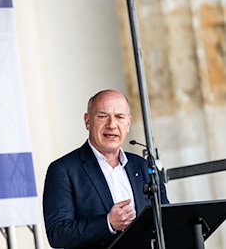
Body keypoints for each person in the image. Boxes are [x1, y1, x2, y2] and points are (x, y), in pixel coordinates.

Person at [42, 89, 169, 249]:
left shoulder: (144, 166)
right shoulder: (63, 170)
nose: (112, 125)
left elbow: (166, 219)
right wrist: (108, 223)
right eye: (102, 116)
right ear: (87, 121)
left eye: (119, 117)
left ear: (128, 123)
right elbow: (58, 234)